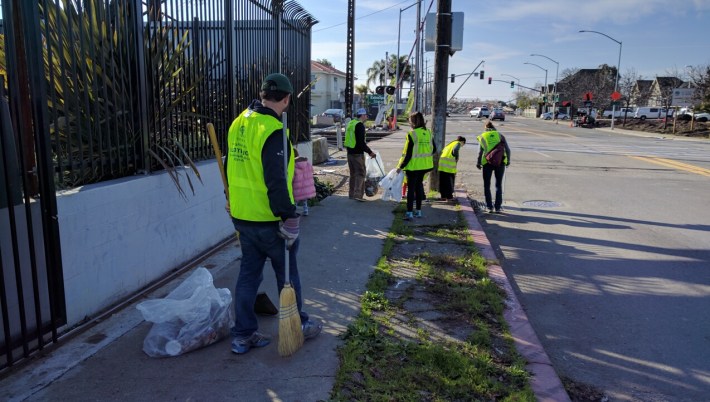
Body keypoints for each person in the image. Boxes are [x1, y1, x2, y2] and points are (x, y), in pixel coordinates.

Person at [224, 73, 321, 354]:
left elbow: (234, 166)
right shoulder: (272, 130)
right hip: (270, 221)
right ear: (287, 99)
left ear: (263, 94)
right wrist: (289, 216)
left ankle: (243, 334)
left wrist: (231, 199)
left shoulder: (239, 122)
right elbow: (276, 180)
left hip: (243, 217)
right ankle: (299, 323)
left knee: (248, 276)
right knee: (287, 276)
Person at [397, 111, 435, 220]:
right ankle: (418, 211)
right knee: (419, 188)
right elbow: (434, 149)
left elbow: (408, 154)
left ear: (413, 122)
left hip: (413, 167)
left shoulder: (412, 134)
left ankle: (409, 213)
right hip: (425, 166)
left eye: (410, 120)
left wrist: (401, 166)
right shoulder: (428, 133)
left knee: (411, 189)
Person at [476, 121, 511, 214]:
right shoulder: (500, 136)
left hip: (487, 163)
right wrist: (508, 161)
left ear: (485, 128)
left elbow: (480, 152)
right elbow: (508, 150)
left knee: (487, 185)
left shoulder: (483, 136)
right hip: (500, 162)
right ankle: (498, 207)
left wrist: (478, 162)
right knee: (498, 185)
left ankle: (489, 207)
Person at [345, 108, 376, 201]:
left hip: (350, 153)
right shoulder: (359, 125)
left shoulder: (351, 123)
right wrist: (370, 152)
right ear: (362, 115)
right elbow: (361, 143)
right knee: (360, 173)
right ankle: (358, 195)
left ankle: (351, 194)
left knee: (353, 174)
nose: (366, 117)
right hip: (357, 154)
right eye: (366, 115)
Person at [438, 135, 466, 202]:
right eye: (463, 144)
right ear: (462, 142)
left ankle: (443, 196)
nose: (462, 146)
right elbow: (455, 150)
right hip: (448, 166)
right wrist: (456, 157)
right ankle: (449, 197)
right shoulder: (458, 143)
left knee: (442, 181)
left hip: (442, 164)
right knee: (449, 182)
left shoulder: (451, 143)